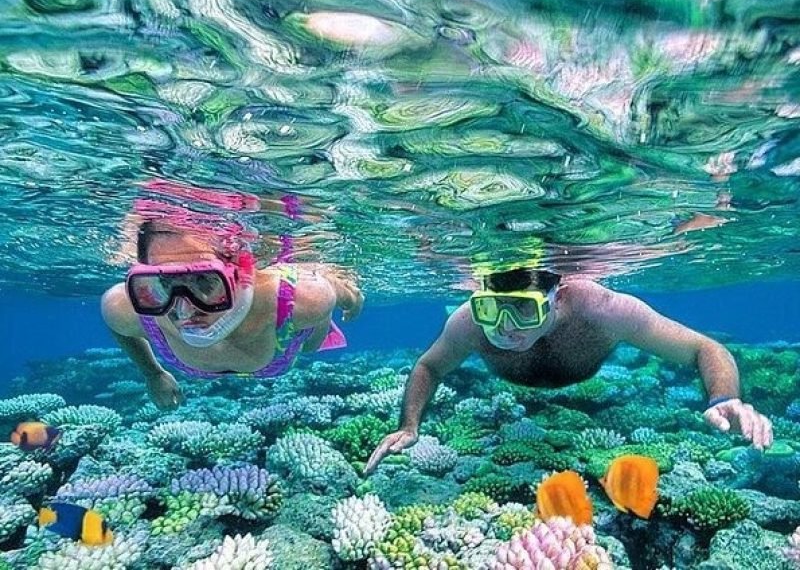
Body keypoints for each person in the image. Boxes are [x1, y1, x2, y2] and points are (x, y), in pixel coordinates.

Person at [365, 267, 773, 474]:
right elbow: (429, 366)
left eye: (524, 309)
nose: (505, 327)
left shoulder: (603, 309)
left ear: (555, 299)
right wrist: (409, 425)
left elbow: (705, 347)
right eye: (491, 309)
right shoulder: (468, 323)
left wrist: (725, 398)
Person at [101, 221, 364, 410]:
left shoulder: (302, 300)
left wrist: (352, 300)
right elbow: (117, 328)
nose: (185, 308)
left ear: (239, 275)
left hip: (286, 332)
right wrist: (152, 373)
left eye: (203, 280)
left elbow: (341, 294)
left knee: (310, 345)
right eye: (162, 283)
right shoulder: (127, 306)